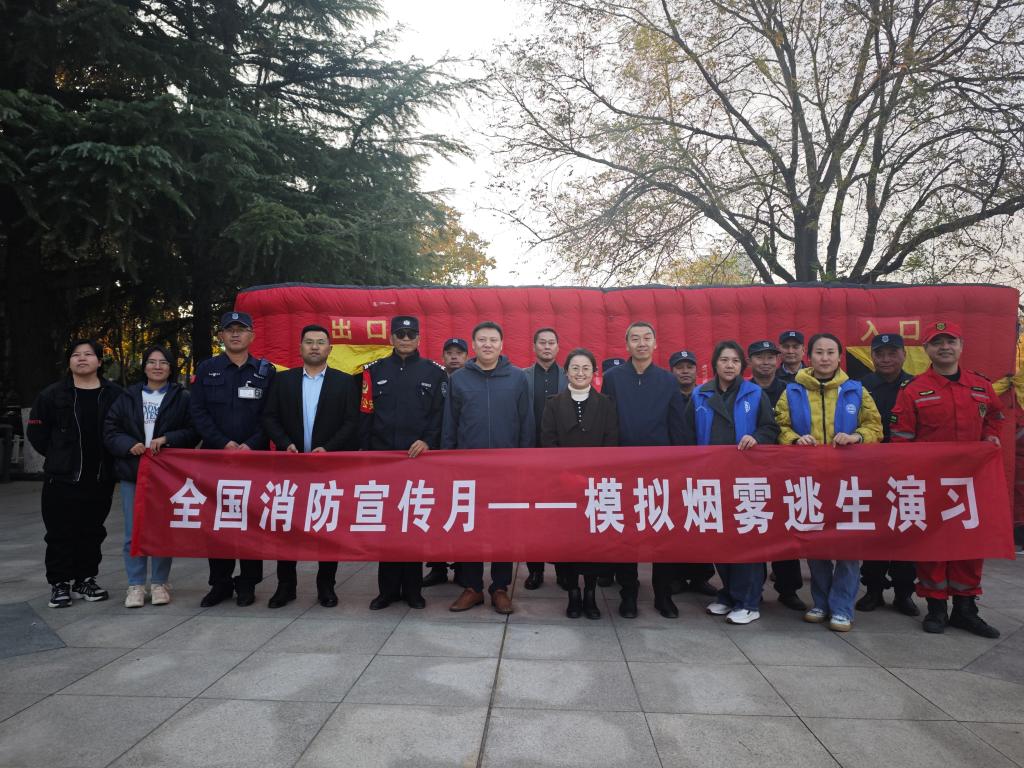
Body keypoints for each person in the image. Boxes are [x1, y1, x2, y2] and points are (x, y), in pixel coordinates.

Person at [891, 321, 1005, 638]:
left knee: (970, 544)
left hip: (972, 484)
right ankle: (937, 608)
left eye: (950, 341)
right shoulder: (914, 390)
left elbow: (995, 416)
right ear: (926, 350)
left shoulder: (981, 386)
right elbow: (901, 437)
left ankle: (966, 610)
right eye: (937, 342)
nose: (944, 347)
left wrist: (991, 437)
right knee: (933, 545)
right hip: (931, 485)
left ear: (961, 346)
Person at [776, 332, 883, 632]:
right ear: (809, 356)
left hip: (849, 481)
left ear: (839, 357)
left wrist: (856, 437)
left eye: (830, 352)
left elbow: (875, 427)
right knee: (816, 545)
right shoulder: (792, 391)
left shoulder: (856, 391)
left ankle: (842, 607)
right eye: (819, 352)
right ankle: (820, 602)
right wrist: (795, 439)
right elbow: (780, 426)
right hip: (810, 481)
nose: (825, 357)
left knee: (849, 546)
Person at [261, 324, 358, 609]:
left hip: (328, 467)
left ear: (330, 348)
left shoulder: (344, 382)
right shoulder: (283, 381)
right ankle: (285, 586)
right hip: (291, 466)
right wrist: (285, 443)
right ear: (300, 347)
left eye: (320, 342)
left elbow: (351, 422)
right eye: (309, 342)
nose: (315, 347)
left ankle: (326, 585)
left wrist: (328, 448)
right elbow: (269, 417)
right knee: (287, 528)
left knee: (327, 527)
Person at [683, 341, 779, 624]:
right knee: (720, 538)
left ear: (741, 365)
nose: (729, 365)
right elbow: (687, 435)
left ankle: (748, 601)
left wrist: (756, 438)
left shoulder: (754, 393)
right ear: (715, 363)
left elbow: (770, 427)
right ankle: (728, 594)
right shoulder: (700, 394)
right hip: (711, 478)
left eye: (735, 361)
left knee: (745, 538)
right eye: (724, 360)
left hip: (745, 478)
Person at [442, 320, 533, 614]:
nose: (487, 344)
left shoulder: (517, 378)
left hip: (507, 468)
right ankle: (472, 587)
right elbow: (450, 424)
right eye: (482, 339)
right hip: (468, 469)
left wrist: (524, 463)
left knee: (503, 527)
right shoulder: (459, 379)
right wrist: (448, 463)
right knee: (469, 525)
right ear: (474, 344)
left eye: (493, 340)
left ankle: (500, 587)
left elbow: (526, 423)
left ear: (502, 345)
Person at [600, 321, 687, 619]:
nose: (641, 343)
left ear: (655, 343)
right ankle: (629, 593)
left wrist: (680, 465)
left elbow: (677, 425)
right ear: (626, 345)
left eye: (647, 338)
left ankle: (663, 594)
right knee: (626, 534)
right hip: (623, 470)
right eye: (635, 339)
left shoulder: (667, 380)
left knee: (663, 531)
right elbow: (608, 421)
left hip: (660, 470)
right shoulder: (613, 378)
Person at [27, 339, 123, 609]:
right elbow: (37, 433)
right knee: (59, 533)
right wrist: (60, 457)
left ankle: (85, 579)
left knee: (92, 532)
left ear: (99, 361)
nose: (82, 358)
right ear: (69, 362)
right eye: (76, 355)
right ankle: (59, 584)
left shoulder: (114, 394)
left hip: (100, 477)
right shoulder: (52, 395)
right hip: (62, 478)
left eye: (88, 354)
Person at [190, 310, 276, 607]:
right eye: (230, 329)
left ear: (252, 335)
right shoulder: (207, 369)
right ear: (221, 336)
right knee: (217, 522)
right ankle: (220, 583)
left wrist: (250, 445)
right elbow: (198, 411)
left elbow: (271, 414)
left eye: (241, 329)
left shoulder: (266, 371)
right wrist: (222, 443)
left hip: (254, 460)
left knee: (251, 522)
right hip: (216, 460)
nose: (236, 334)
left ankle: (248, 583)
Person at [103, 345, 198, 608]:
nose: (157, 367)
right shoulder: (127, 397)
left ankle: (159, 583)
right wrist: (128, 445)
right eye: (152, 362)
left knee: (161, 530)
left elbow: (193, 430)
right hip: (133, 473)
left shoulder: (182, 398)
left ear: (170, 368)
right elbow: (110, 429)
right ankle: (135, 584)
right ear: (144, 367)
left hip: (166, 475)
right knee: (133, 531)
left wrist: (167, 439)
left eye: (163, 362)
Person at [362, 316, 446, 610]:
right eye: (401, 334)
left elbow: (439, 414)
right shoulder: (373, 371)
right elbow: (365, 414)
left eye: (411, 334)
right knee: (387, 526)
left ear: (419, 338)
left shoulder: (434, 373)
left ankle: (413, 590)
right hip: (383, 461)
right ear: (392, 338)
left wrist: (428, 441)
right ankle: (387, 591)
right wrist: (367, 454)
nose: (406, 339)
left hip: (418, 460)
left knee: (413, 523)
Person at [540, 348, 619, 619]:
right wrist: (568, 475)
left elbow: (611, 442)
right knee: (567, 541)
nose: (580, 373)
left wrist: (592, 477)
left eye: (586, 368)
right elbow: (548, 442)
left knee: (593, 541)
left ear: (594, 373)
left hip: (596, 486)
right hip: (563, 485)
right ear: (566, 372)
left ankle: (590, 593)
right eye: (575, 368)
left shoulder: (606, 403)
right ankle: (573, 592)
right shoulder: (553, 404)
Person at [856, 334, 918, 617]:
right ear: (872, 357)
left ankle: (904, 593)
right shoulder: (860, 387)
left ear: (904, 354)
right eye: (879, 354)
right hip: (872, 471)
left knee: (906, 530)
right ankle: (873, 590)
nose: (886, 359)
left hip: (908, 473)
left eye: (892, 353)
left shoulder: (916, 386)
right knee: (875, 532)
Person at [748, 339, 806, 612]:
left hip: (785, 471)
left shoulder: (791, 390)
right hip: (751, 471)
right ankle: (753, 588)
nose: (766, 362)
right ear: (750, 361)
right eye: (759, 357)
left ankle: (788, 589)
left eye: (770, 357)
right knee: (753, 527)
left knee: (785, 530)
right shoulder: (744, 391)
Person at [666, 349, 716, 598]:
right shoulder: (666, 396)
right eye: (680, 367)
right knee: (675, 523)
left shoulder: (707, 395)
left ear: (697, 370)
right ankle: (675, 577)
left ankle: (700, 577)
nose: (685, 371)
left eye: (689, 367)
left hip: (704, 470)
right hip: (674, 470)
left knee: (702, 523)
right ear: (672, 371)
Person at [522, 327, 568, 589]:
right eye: (542, 342)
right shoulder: (521, 377)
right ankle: (535, 570)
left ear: (558, 347)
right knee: (533, 515)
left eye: (552, 342)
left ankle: (563, 570)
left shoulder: (570, 375)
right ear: (534, 346)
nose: (547, 347)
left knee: (562, 515)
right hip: (531, 455)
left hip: (561, 456)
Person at [424, 337, 469, 587]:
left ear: (466, 356)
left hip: (462, 456)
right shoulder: (434, 379)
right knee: (436, 512)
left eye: (459, 353)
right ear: (442, 357)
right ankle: (438, 567)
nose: (454, 357)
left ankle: (463, 567)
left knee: (461, 512)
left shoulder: (472, 380)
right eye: (449, 352)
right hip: (434, 455)